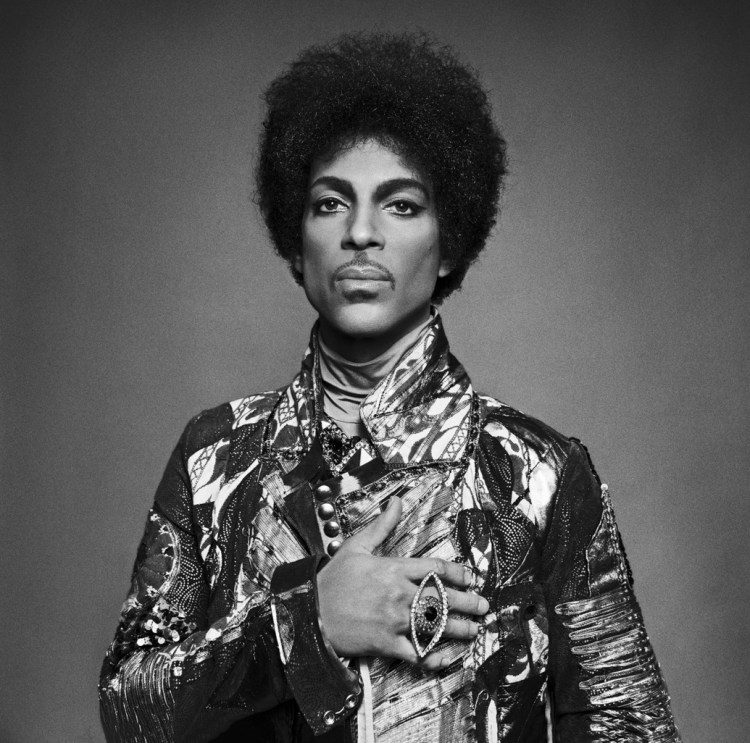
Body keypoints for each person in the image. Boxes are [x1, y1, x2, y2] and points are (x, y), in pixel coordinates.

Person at [99, 32, 680, 742]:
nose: (361, 233)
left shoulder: (538, 474)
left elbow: (629, 726)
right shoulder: (214, 456)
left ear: (450, 241)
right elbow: (127, 712)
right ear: (295, 240)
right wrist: (304, 623)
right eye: (329, 203)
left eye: (400, 205)